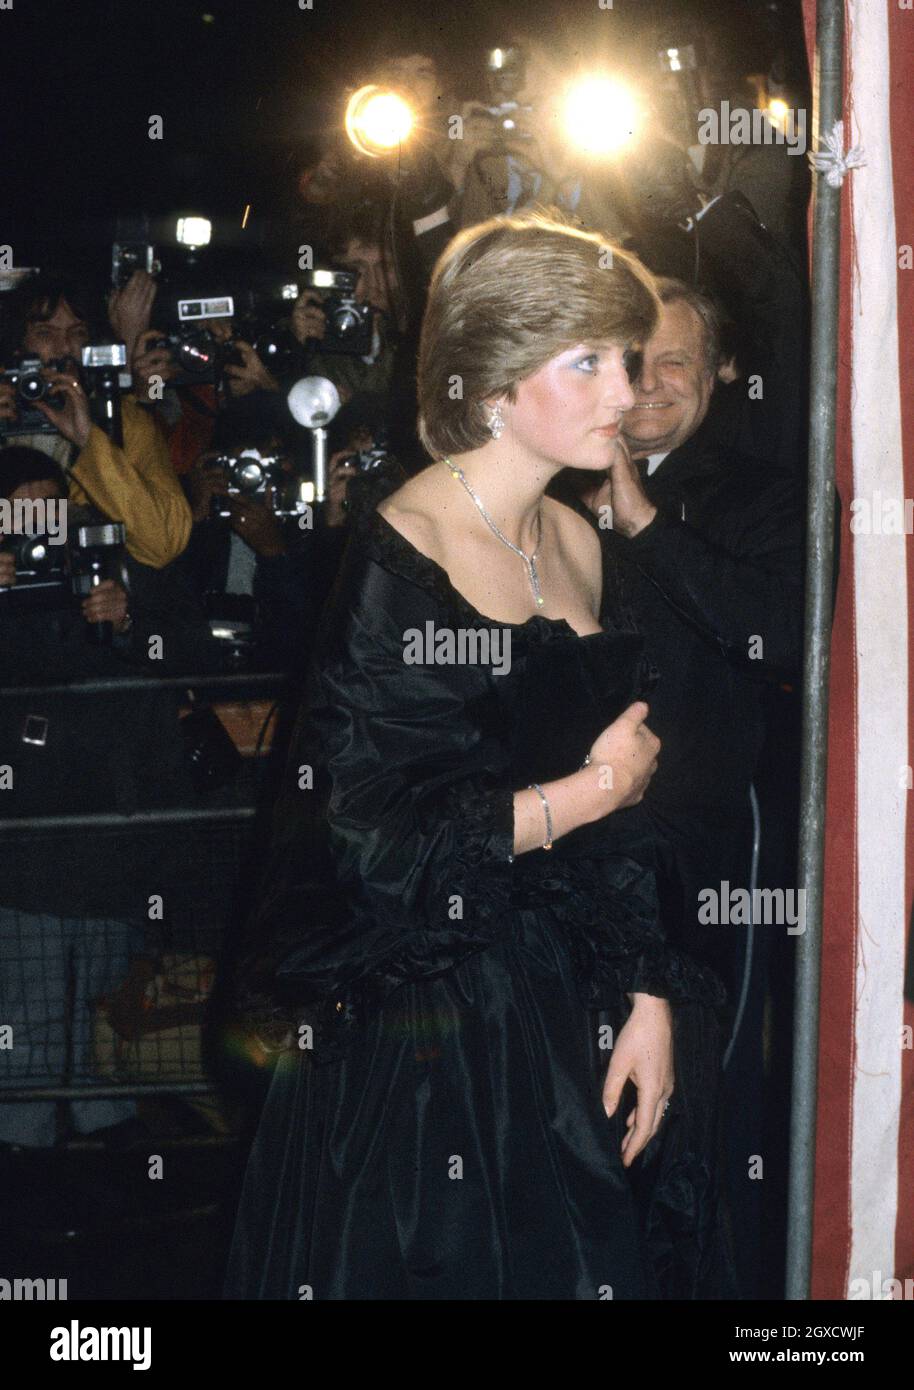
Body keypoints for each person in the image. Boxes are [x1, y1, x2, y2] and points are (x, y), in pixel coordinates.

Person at [224, 210, 728, 1301]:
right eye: (587, 360)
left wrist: (649, 998)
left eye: (626, 359)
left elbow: (630, 810)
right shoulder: (407, 545)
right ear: (496, 380)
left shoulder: (577, 538)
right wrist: (588, 791)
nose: (623, 391)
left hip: (568, 997)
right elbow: (375, 841)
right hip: (429, 1028)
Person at [552, 276, 803, 1298]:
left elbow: (779, 634)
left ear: (722, 376)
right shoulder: (548, 482)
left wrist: (643, 521)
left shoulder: (763, 496)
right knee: (576, 1111)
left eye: (675, 364)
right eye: (628, 359)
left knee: (702, 1113)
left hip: (704, 866)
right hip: (565, 853)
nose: (647, 385)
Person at [0, 274, 192, 568]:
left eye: (76, 333)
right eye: (45, 334)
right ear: (18, 347)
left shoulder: (124, 421)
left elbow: (164, 543)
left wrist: (88, 438)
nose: (64, 348)